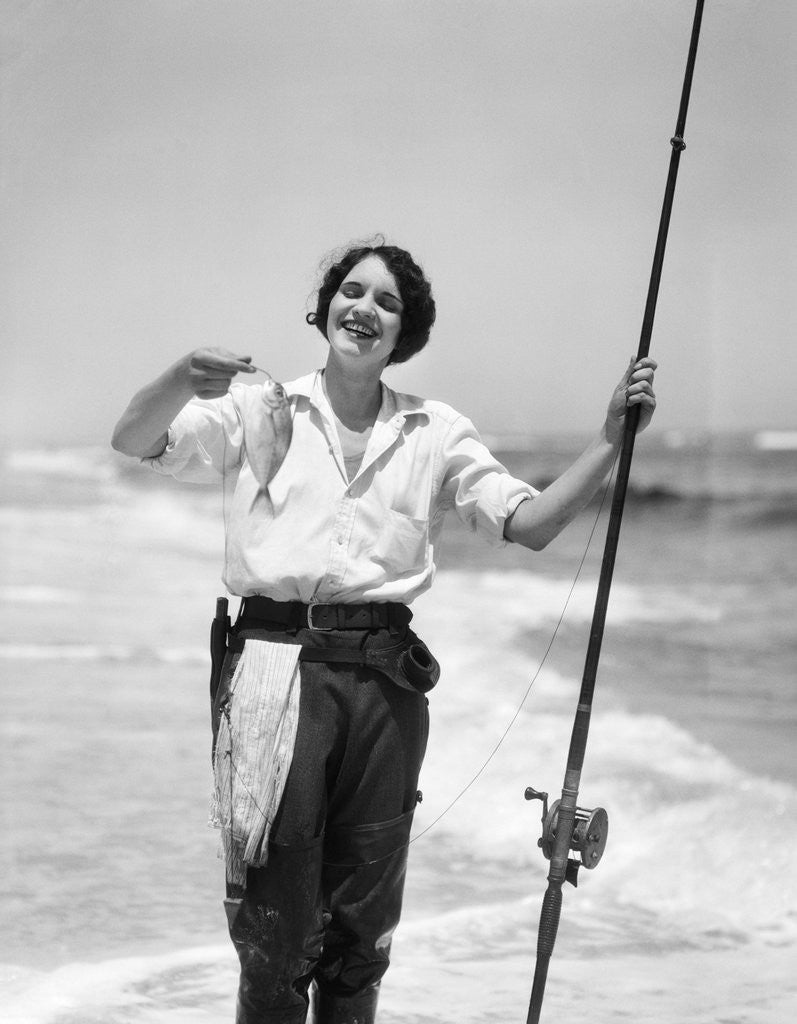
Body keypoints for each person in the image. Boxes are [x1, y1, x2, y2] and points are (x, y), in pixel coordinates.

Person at [111, 241, 657, 1024]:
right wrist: (177, 377)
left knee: (362, 924)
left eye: (387, 302)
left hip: (384, 682)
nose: (364, 309)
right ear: (326, 306)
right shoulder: (258, 407)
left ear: (406, 332)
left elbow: (528, 524)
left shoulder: (436, 430)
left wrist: (610, 435)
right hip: (270, 669)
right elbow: (135, 440)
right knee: (276, 922)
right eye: (351, 292)